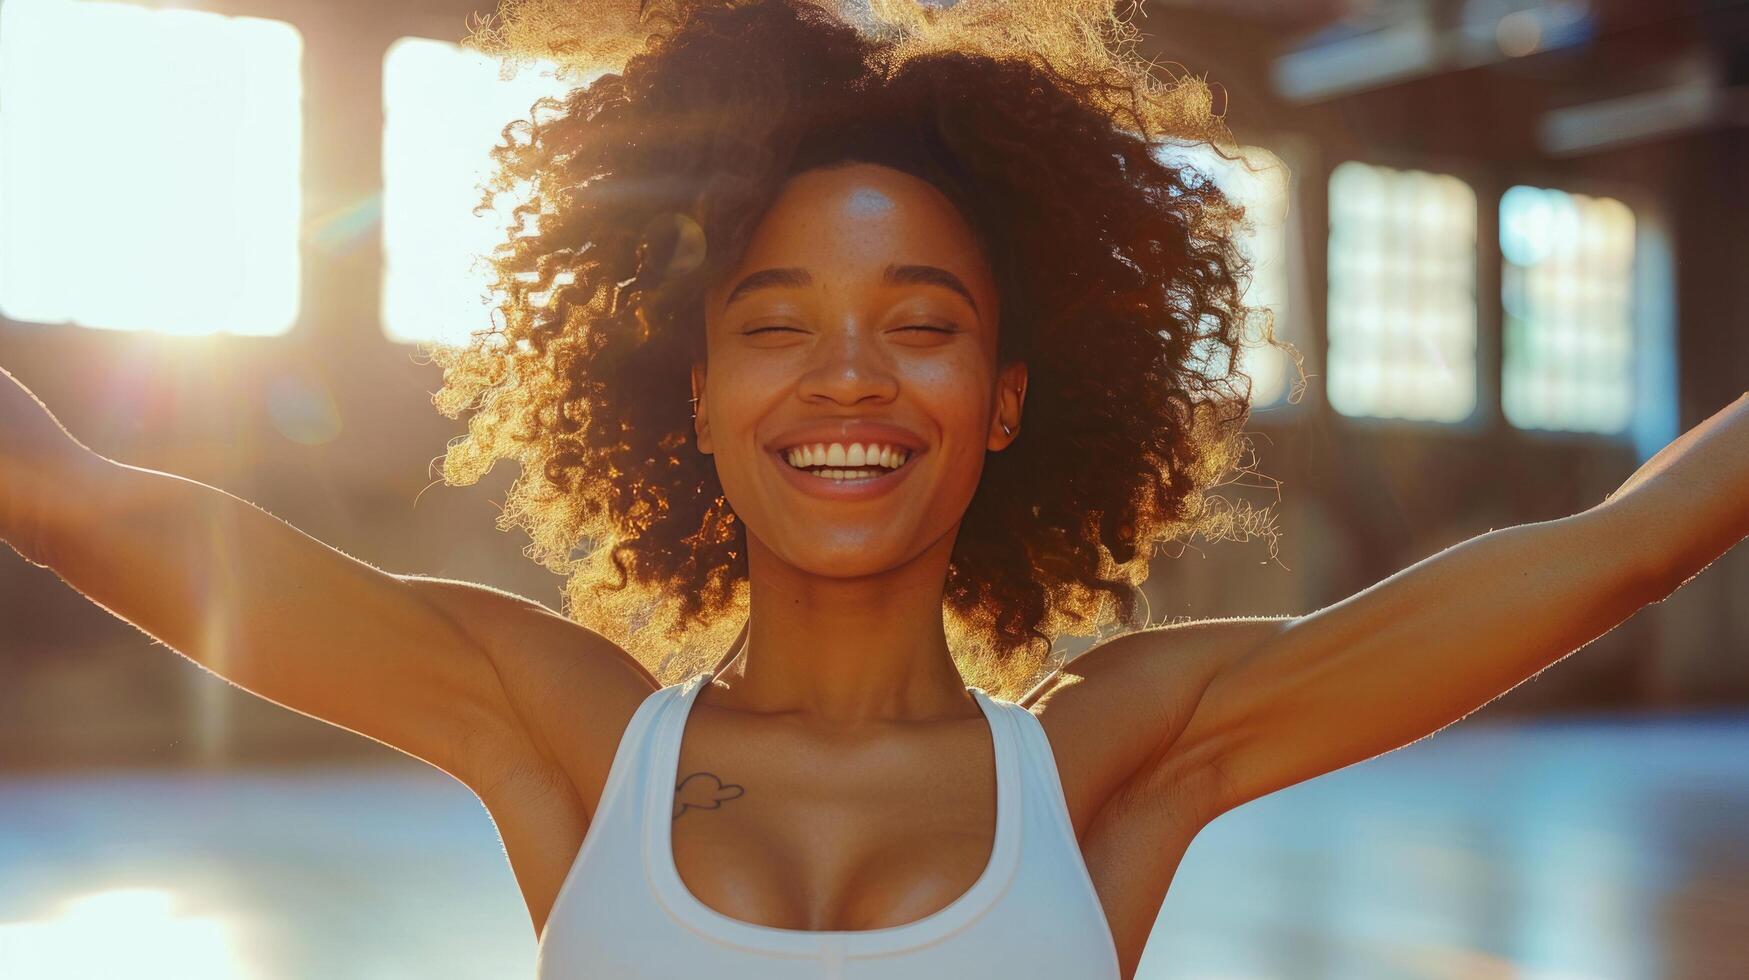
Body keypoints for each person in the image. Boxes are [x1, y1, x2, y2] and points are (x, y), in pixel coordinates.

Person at [2, 1, 1746, 977]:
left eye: (920, 325)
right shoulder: (561, 732)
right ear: (690, 397)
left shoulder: (1113, 756)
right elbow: (70, 497)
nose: (847, 376)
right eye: (778, 326)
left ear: (1002, 404)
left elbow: (1627, 546)